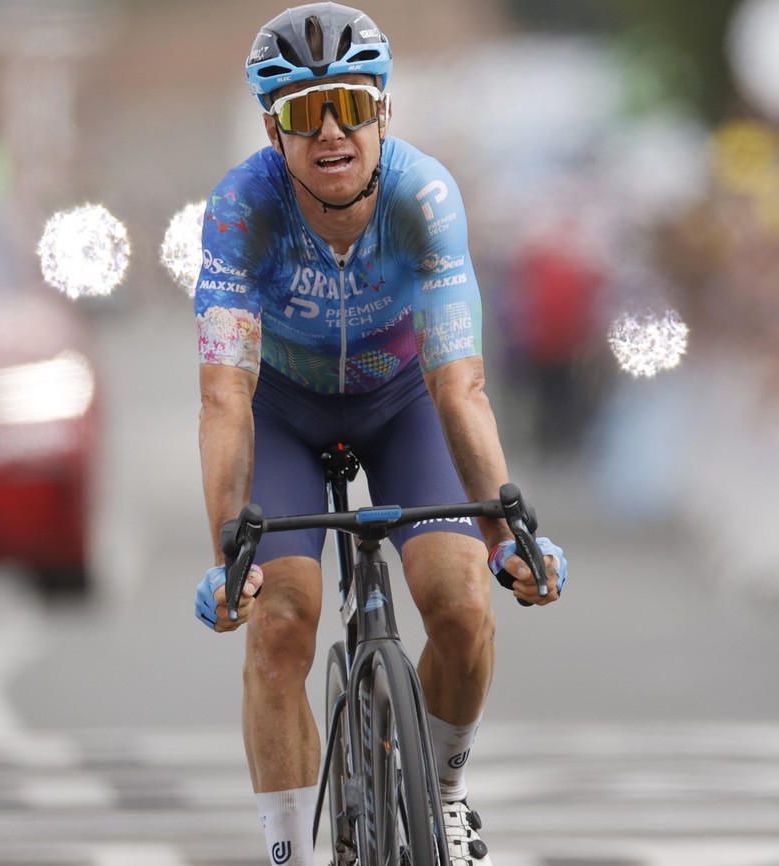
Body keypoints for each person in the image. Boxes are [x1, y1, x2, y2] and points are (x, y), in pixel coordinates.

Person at [192, 6, 568, 866]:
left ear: (384, 113)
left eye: (351, 107)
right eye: (301, 112)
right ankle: (291, 850)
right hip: (283, 413)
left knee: (464, 606)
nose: (330, 132)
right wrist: (228, 556)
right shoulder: (238, 212)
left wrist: (509, 535)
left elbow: (458, 385)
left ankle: (442, 792)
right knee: (282, 619)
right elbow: (225, 398)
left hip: (404, 405)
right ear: (271, 129)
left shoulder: (422, 197)